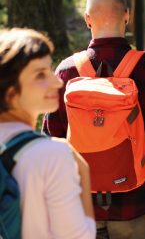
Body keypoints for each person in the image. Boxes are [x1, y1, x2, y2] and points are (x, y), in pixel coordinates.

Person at [43, 0, 145, 239]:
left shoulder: (65, 72)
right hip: (136, 205)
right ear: (127, 15)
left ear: (88, 19)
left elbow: (52, 141)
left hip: (80, 208)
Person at [0, 28, 96, 238]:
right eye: (40, 75)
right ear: (10, 93)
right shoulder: (52, 155)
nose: (57, 82)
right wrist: (84, 173)